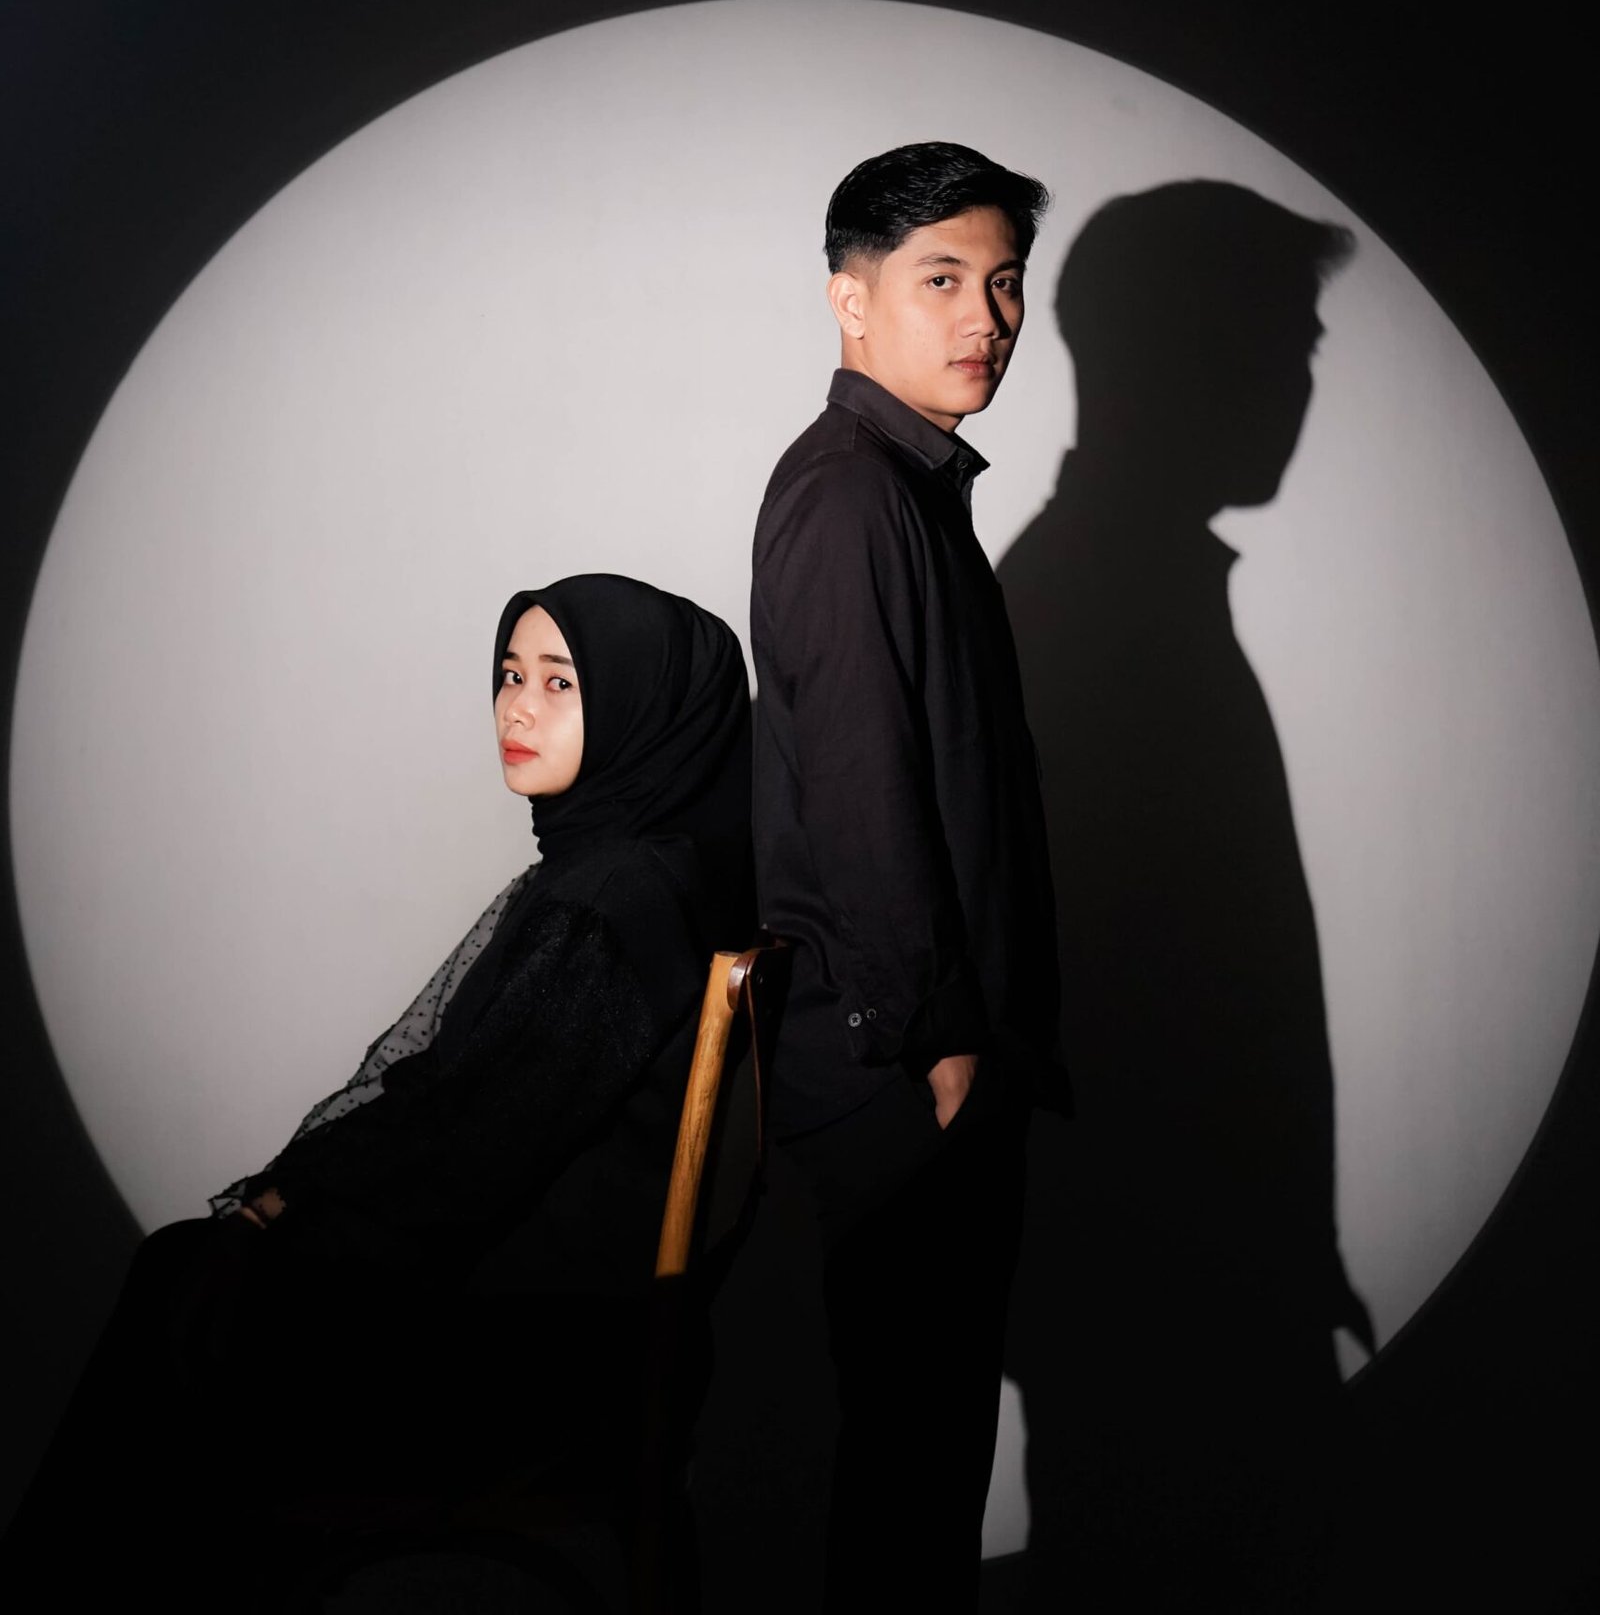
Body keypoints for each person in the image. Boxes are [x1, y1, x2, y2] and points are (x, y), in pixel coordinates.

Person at [4, 573, 752, 1606]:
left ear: (641, 705)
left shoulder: (615, 896)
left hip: (532, 1357)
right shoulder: (632, 866)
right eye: (509, 674)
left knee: (189, 1291)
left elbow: (477, 1143)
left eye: (560, 682)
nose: (516, 708)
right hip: (558, 1320)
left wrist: (284, 1209)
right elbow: (465, 1102)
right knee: (192, 1279)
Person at [999, 183, 1373, 1608]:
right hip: (1170, 1308)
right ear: (1184, 351)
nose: (1299, 383)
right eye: (1282, 340)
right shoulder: (1095, 615)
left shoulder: (1092, 595)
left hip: (1180, 1296)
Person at [750, 140, 1067, 1613]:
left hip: (929, 1056)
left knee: (924, 1466)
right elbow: (861, 787)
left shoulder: (906, 487)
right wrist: (939, 1040)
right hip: (900, 1072)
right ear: (849, 297)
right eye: (942, 278)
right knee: (907, 1472)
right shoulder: (851, 497)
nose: (986, 318)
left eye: (1005, 282)